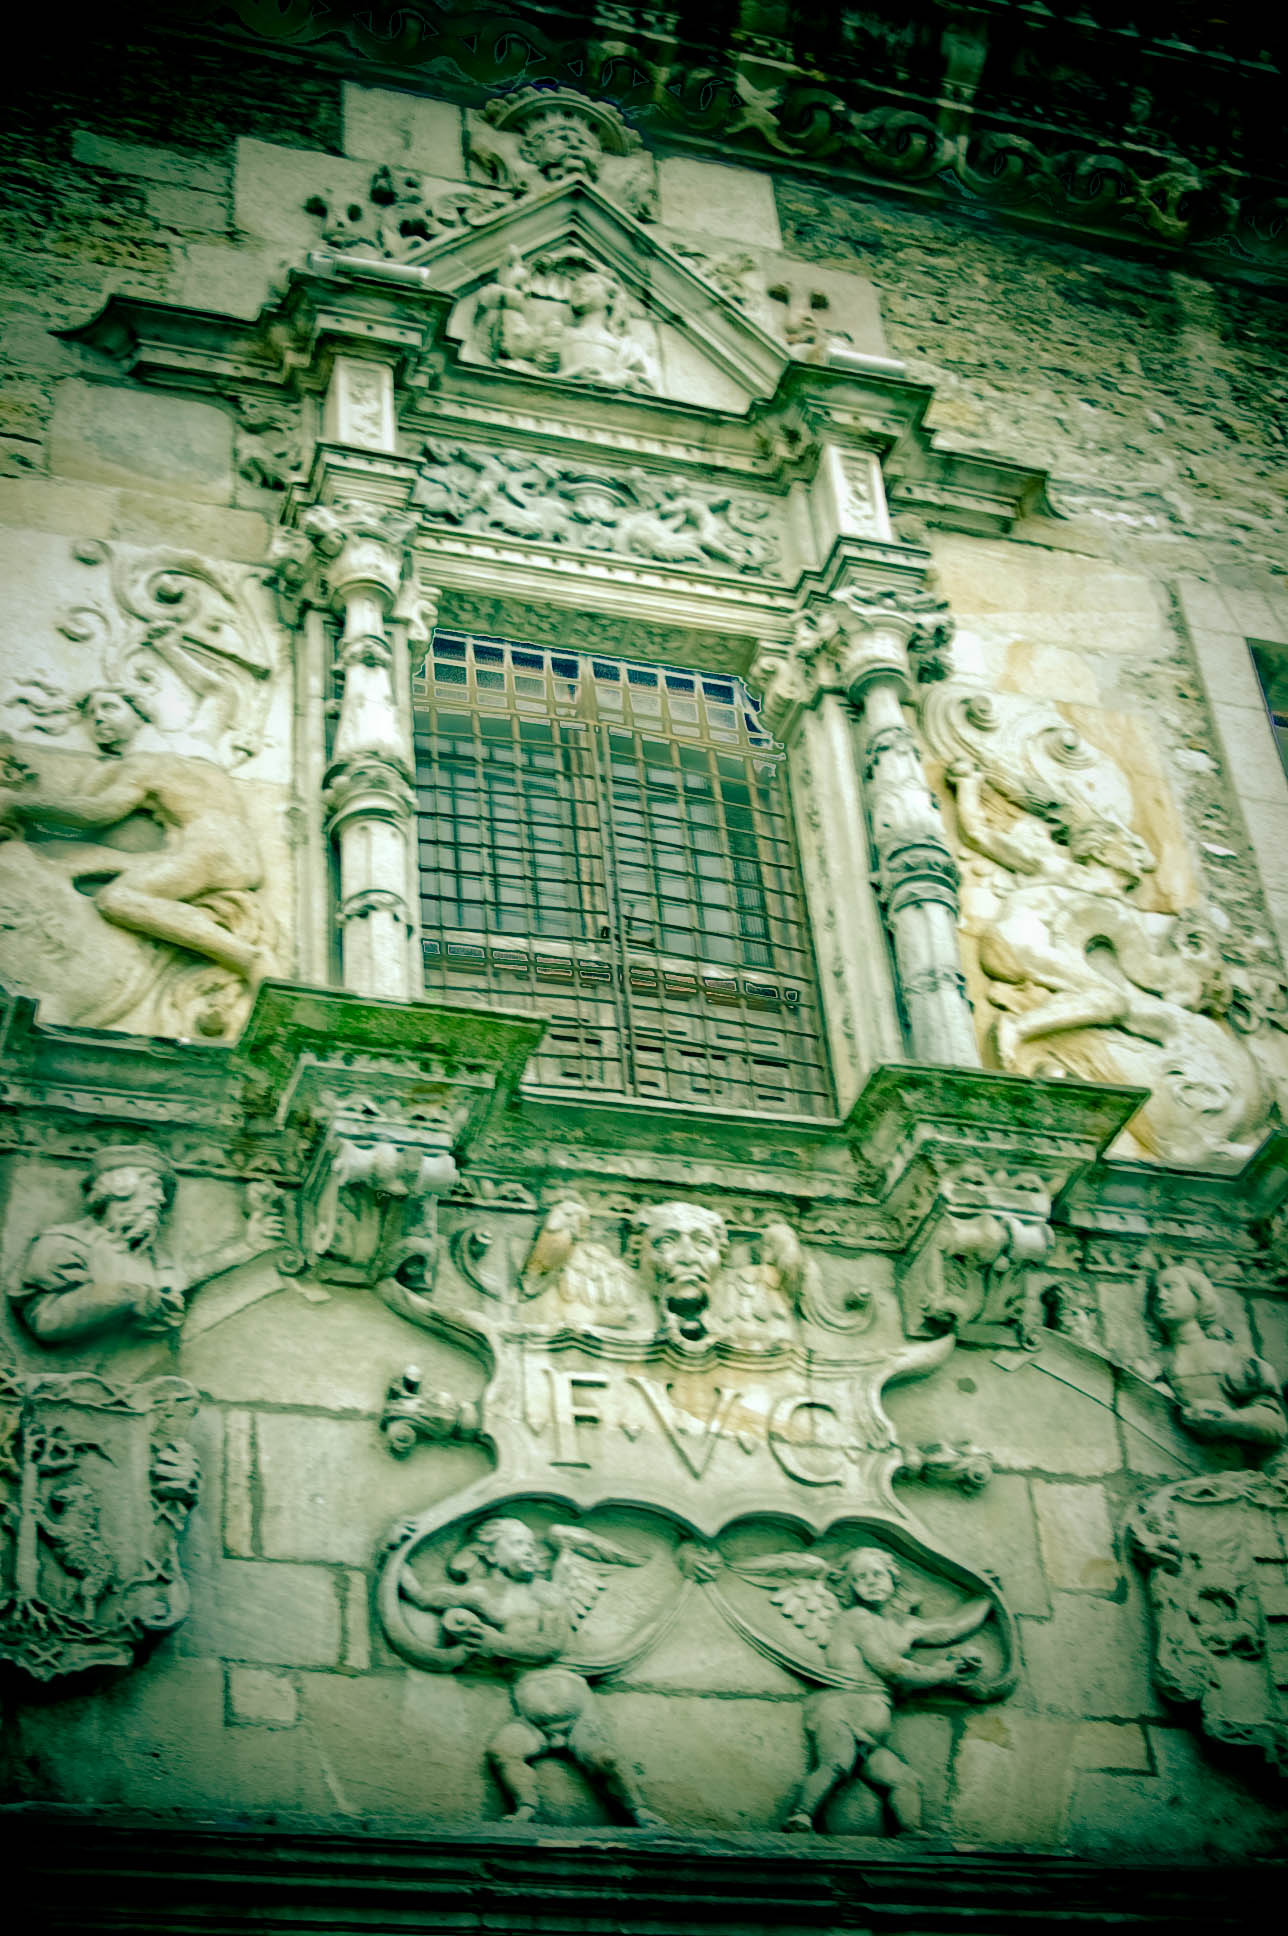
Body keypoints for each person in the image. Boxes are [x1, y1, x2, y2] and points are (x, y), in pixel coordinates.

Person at [0, 686, 269, 989]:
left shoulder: (143, 764)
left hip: (211, 851)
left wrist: (15, 802)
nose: (99, 719)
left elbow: (96, 812)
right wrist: (169, 646)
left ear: (140, 713)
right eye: (92, 716)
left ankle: (246, 958)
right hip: (230, 851)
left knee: (117, 899)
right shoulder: (200, 747)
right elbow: (222, 695)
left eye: (110, 708)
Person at [786, 1546, 990, 1834]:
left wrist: (985, 1598)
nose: (871, 1581)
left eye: (877, 1574)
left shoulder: (902, 1625)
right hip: (841, 1712)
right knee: (836, 1763)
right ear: (851, 1586)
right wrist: (942, 1673)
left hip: (871, 1735)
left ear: (894, 1579)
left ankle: (909, 1831)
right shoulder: (856, 1618)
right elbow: (890, 1667)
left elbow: (950, 1627)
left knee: (904, 1780)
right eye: (861, 1577)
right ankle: (801, 1816)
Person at [11, 1143, 183, 1344]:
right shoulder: (65, 1242)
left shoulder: (156, 1259)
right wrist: (130, 1295)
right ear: (121, 1187)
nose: (161, 1199)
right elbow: (46, 1320)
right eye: (153, 1187)